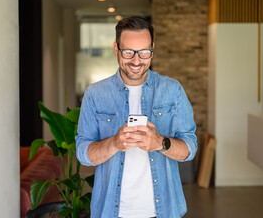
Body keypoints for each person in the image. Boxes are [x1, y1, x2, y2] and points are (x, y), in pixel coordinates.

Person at [76, 16, 197, 218]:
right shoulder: (94, 94)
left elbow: (190, 148)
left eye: (144, 52)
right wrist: (114, 143)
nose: (136, 60)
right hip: (111, 212)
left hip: (164, 212)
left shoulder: (172, 90)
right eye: (128, 52)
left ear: (152, 50)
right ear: (116, 49)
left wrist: (160, 143)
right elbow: (83, 154)